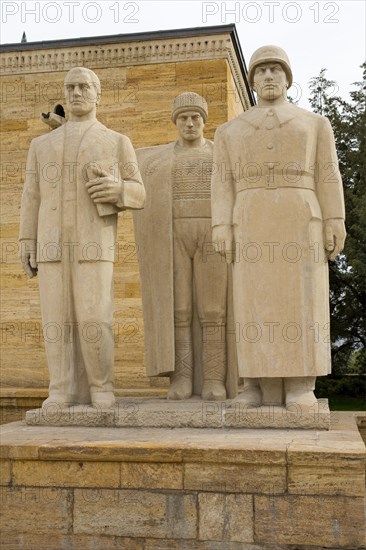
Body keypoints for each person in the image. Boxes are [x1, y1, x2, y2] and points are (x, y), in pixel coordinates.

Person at [211, 46, 346, 408]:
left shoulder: (314, 124)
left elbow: (328, 174)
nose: (268, 76)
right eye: (261, 70)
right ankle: (255, 384)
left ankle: (301, 383)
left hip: (301, 217)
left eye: (275, 70)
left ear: (288, 78)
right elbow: (222, 182)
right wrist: (221, 223)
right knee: (252, 300)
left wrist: (335, 219)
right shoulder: (229, 131)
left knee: (303, 299)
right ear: (252, 80)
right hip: (249, 217)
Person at [19, 67, 145, 409]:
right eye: (70, 87)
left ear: (97, 94)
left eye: (84, 87)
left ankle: (100, 386)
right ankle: (60, 389)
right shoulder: (41, 145)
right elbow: (31, 196)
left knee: (94, 316)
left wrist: (119, 189)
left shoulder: (116, 141)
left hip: (94, 242)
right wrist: (26, 242)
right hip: (51, 242)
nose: (76, 92)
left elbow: (139, 193)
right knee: (55, 319)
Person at [134, 92, 237, 400]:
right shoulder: (160, 159)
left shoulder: (220, 154)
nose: (189, 123)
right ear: (175, 122)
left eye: (195, 118)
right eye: (183, 118)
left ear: (204, 121)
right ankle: (181, 378)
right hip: (174, 233)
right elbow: (127, 169)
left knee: (213, 311)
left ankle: (214, 379)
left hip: (211, 233)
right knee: (179, 310)